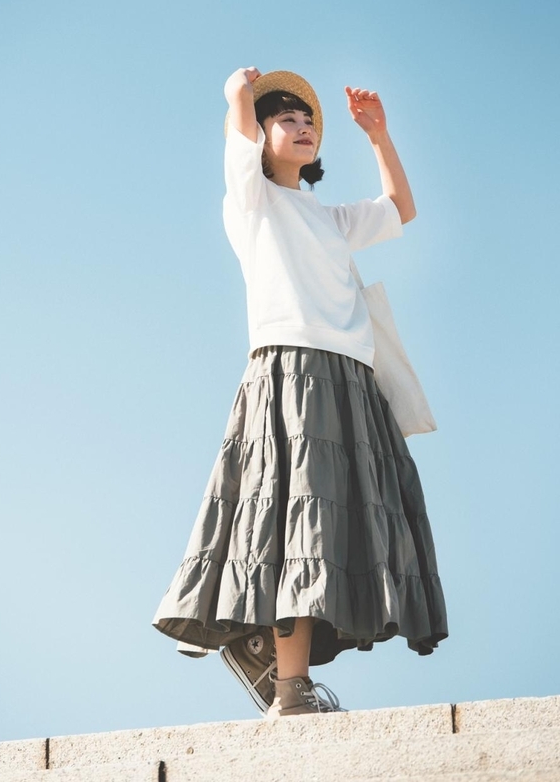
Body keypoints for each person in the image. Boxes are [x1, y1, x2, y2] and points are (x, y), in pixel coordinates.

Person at [152, 67, 448, 718]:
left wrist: (378, 136)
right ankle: (289, 688)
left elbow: (400, 208)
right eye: (285, 119)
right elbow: (237, 145)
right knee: (297, 524)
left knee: (330, 530)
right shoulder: (251, 201)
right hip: (290, 371)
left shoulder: (330, 217)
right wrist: (237, 94)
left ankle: (270, 659)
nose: (303, 125)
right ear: (260, 136)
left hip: (351, 380)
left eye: (308, 119)